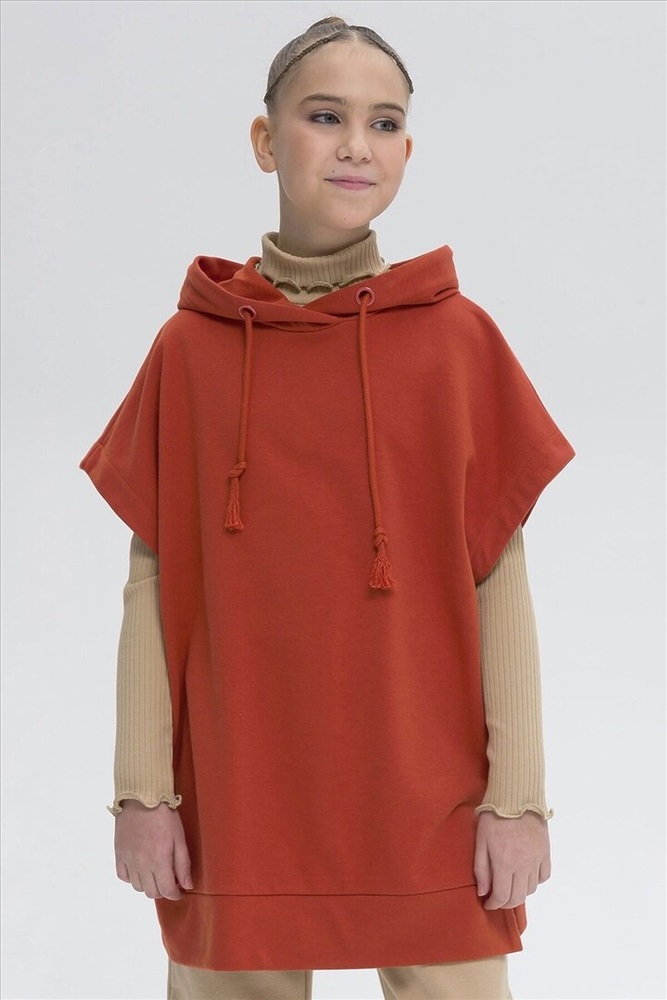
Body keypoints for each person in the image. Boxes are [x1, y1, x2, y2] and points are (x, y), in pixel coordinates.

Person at [81, 16, 574, 1000]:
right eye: (324, 116)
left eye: (383, 122)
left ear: (406, 151)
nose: (356, 144)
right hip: (236, 782)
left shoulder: (456, 342)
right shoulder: (190, 349)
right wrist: (143, 790)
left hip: (427, 785)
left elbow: (498, 576)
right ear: (266, 140)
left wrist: (517, 801)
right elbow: (152, 579)